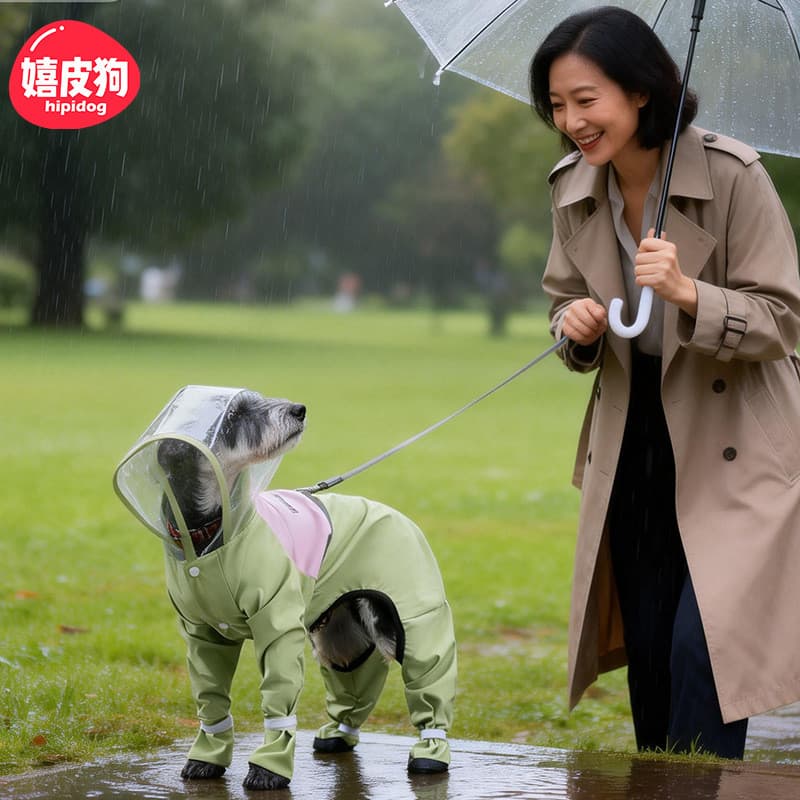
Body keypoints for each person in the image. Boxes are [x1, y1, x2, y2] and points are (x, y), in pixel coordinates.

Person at [529, 6, 800, 759]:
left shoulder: (737, 176)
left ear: (642, 90)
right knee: (649, 650)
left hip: (736, 438)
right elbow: (562, 301)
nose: (572, 121)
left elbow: (783, 318)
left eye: (587, 99)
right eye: (557, 104)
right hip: (634, 436)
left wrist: (690, 295)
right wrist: (573, 326)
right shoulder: (572, 187)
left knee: (703, 651)